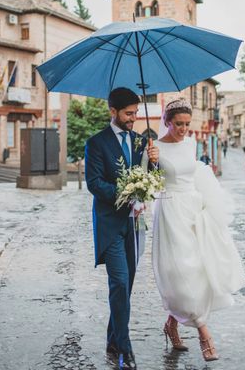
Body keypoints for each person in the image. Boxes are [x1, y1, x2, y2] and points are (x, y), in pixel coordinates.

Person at [152, 98, 245, 362]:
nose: (183, 129)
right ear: (167, 122)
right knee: (180, 271)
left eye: (186, 124)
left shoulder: (191, 143)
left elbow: (194, 174)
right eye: (178, 124)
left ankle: (172, 323)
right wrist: (152, 163)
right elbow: (147, 183)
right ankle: (204, 334)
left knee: (197, 271)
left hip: (193, 209)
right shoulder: (153, 148)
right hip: (170, 210)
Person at [85, 87, 159, 369]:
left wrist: (154, 162)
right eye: (128, 113)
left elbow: (151, 176)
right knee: (118, 281)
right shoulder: (96, 143)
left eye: (136, 113)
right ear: (112, 112)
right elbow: (94, 184)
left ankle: (113, 337)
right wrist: (125, 193)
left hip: (135, 225)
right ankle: (125, 348)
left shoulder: (141, 141)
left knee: (125, 286)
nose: (133, 118)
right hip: (111, 224)